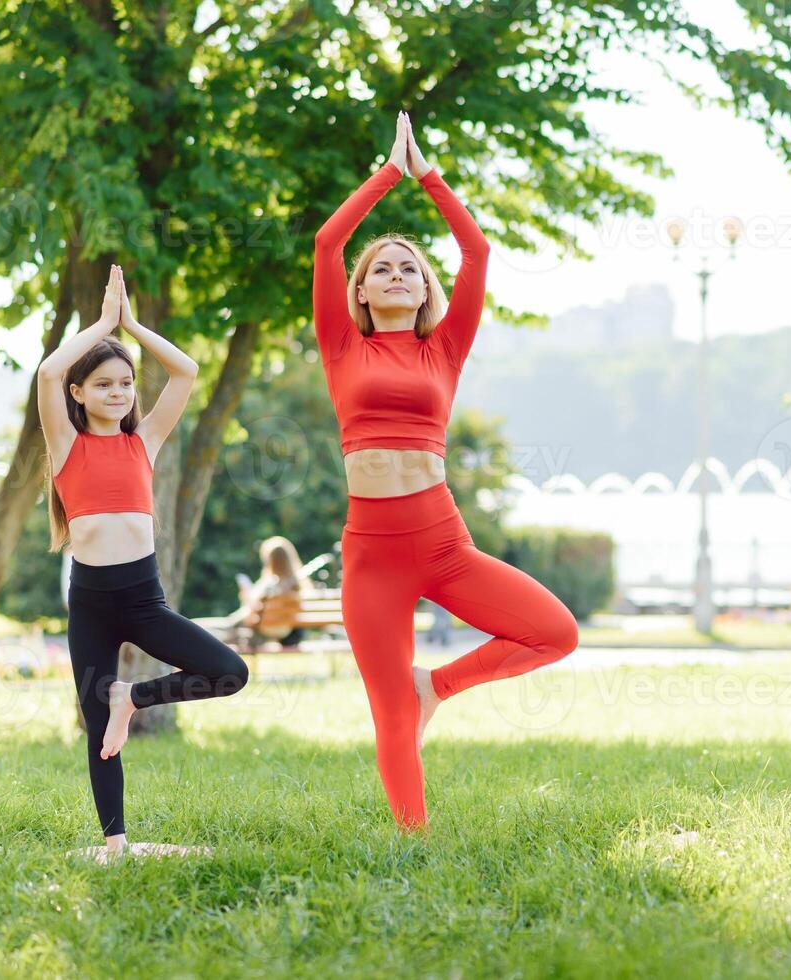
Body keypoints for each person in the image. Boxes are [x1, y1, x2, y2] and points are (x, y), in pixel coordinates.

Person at [313, 111, 578, 833]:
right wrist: (388, 175)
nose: (395, 274)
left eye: (409, 267)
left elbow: (478, 250)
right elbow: (329, 240)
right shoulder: (341, 346)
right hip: (371, 553)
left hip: (439, 538)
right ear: (360, 292)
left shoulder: (443, 350)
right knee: (389, 713)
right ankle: (414, 845)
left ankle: (440, 687)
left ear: (425, 289)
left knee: (555, 633)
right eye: (381, 269)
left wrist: (430, 177)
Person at [38, 263, 249, 861]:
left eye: (126, 383)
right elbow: (50, 370)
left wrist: (131, 325)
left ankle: (134, 698)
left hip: (143, 600)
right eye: (103, 384)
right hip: (91, 605)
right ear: (79, 395)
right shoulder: (66, 445)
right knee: (95, 729)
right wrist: (103, 323)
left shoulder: (145, 441)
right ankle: (116, 843)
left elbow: (186, 370)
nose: (119, 393)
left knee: (229, 671)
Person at [205, 536, 310, 648]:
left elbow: (252, 611)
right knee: (222, 627)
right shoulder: (298, 584)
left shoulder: (270, 584)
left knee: (220, 627)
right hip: (286, 632)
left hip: (263, 630)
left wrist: (246, 595)